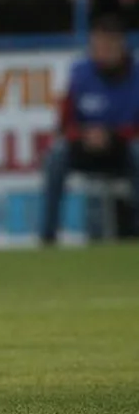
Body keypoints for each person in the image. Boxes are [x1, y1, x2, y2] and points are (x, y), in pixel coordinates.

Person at [41, 14, 139, 244]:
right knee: (56, 157)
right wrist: (84, 135)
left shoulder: (136, 77)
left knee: (137, 153)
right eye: (96, 46)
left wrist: (113, 135)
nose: (100, 53)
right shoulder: (79, 74)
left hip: (122, 147)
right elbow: (64, 123)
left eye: (106, 47)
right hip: (84, 145)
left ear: (120, 46)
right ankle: (47, 236)